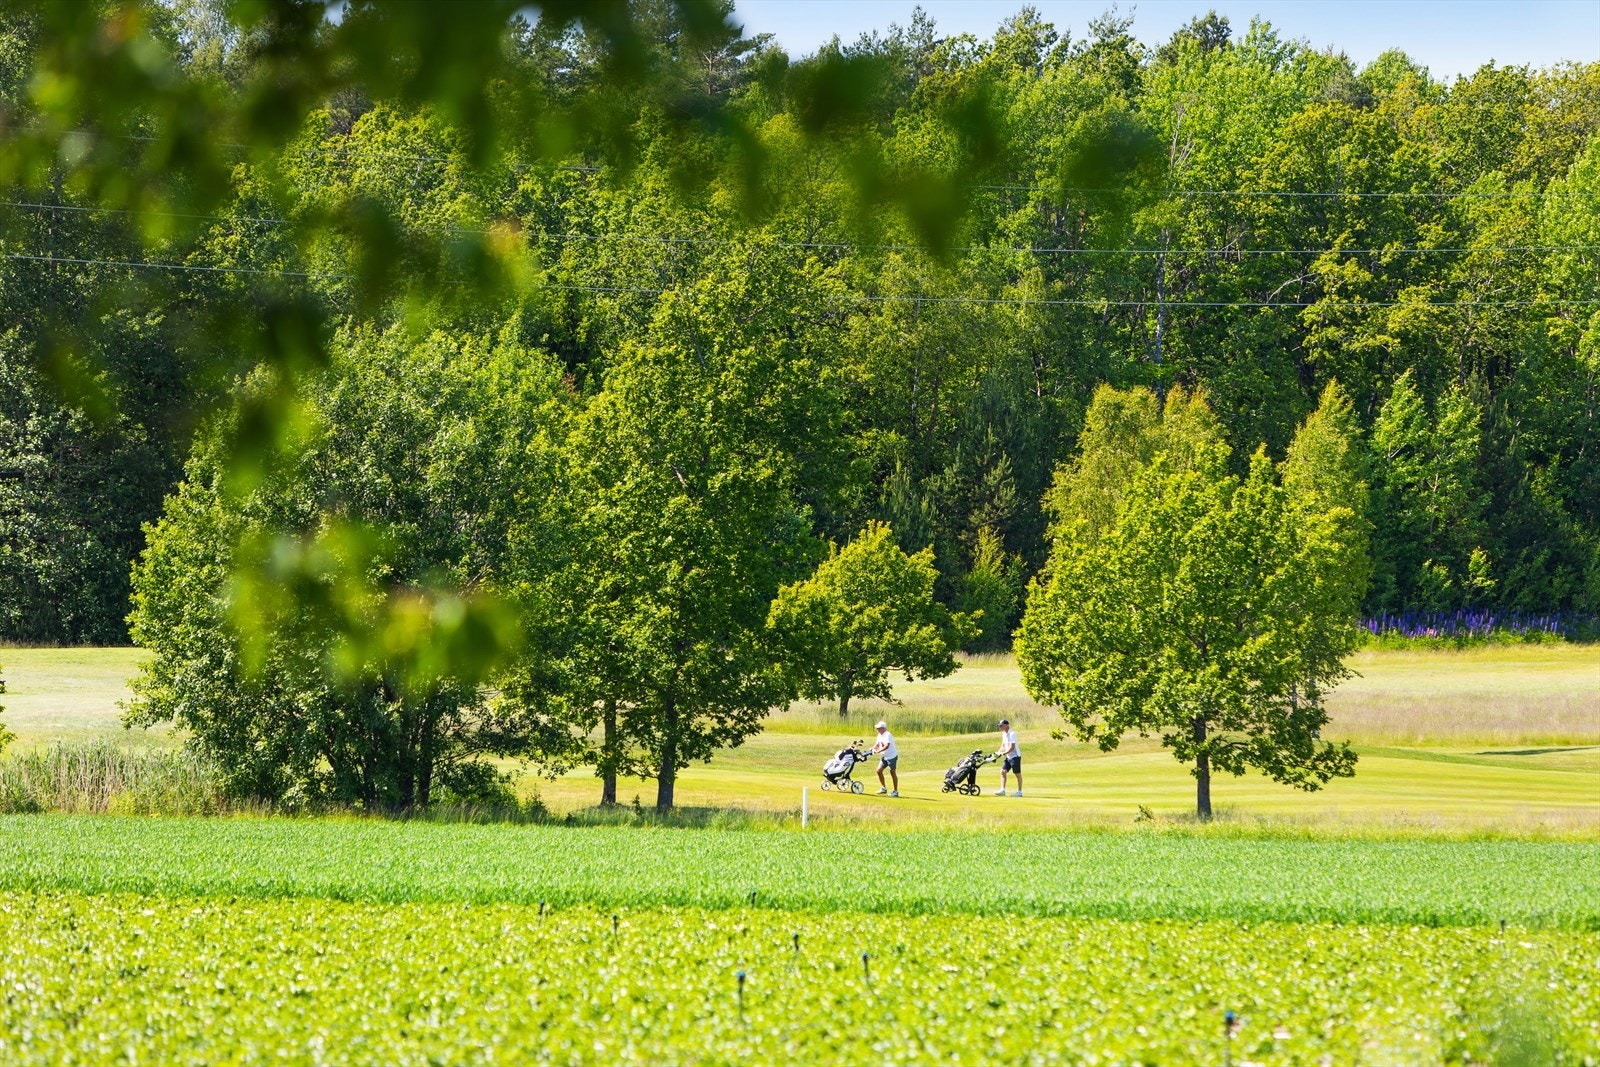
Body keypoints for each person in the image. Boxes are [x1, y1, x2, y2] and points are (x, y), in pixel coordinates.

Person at [871, 720, 899, 797]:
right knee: (878, 771)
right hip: (885, 756)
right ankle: (883, 788)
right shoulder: (879, 735)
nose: (877, 729)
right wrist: (872, 749)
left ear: (883, 728)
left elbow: (887, 746)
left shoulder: (888, 735)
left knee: (892, 772)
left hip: (892, 756)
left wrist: (878, 751)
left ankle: (895, 791)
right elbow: (877, 744)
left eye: (879, 728)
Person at [995, 718, 1022, 796]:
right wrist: (998, 752)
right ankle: (1002, 790)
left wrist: (1004, 753)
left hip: (1015, 757)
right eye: (999, 726)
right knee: (1003, 771)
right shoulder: (1004, 734)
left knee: (1017, 774)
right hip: (1008, 757)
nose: (1000, 727)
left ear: (1006, 725)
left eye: (1001, 725)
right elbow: (1003, 745)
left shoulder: (1012, 734)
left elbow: (1012, 747)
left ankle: (1019, 792)